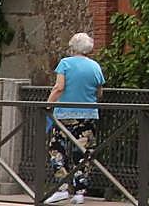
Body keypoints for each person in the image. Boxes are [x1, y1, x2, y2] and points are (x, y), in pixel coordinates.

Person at [44, 33, 104, 205]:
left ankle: (62, 188)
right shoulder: (95, 66)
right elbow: (99, 92)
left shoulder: (65, 64)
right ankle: (80, 192)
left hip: (65, 115)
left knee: (57, 149)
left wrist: (48, 105)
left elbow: (59, 87)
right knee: (83, 153)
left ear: (72, 47)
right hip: (88, 115)